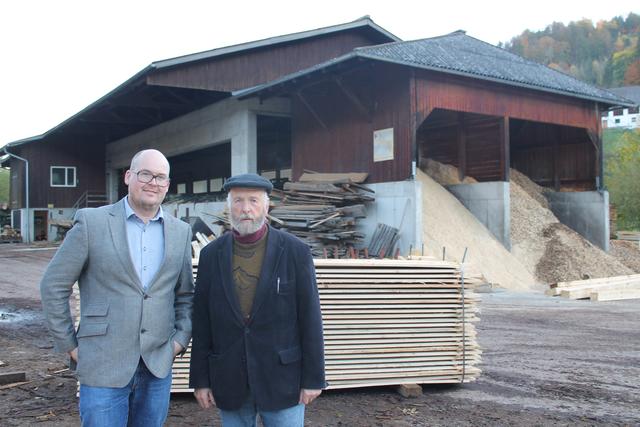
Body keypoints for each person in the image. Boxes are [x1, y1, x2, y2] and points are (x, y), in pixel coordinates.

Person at [40, 149, 194, 427]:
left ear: (168, 185)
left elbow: (184, 294)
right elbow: (53, 285)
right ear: (128, 177)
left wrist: (179, 341)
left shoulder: (180, 231)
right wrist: (69, 345)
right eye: (145, 174)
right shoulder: (93, 222)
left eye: (160, 177)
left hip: (157, 364)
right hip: (102, 362)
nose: (152, 182)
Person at [190, 173, 325, 427]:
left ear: (266, 206)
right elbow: (202, 321)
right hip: (229, 378)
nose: (246, 209)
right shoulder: (210, 256)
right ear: (228, 207)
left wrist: (314, 378)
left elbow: (310, 317)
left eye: (253, 201)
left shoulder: (295, 251)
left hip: (283, 379)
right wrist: (201, 379)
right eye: (238, 201)